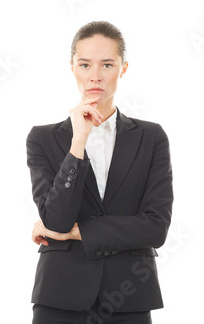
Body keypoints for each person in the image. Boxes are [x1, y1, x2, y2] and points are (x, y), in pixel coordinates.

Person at [26, 20, 173, 324]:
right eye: (84, 65)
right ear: (72, 68)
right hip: (59, 296)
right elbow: (56, 219)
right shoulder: (42, 138)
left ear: (123, 68)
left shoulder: (151, 137)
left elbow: (155, 228)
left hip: (130, 294)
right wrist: (78, 140)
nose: (95, 76)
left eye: (107, 64)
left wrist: (76, 232)